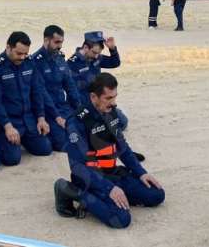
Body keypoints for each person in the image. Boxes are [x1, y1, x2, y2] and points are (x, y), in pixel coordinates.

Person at [54, 73, 165, 228]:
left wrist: (141, 173)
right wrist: (109, 188)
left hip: (113, 174)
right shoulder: (77, 122)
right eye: (108, 98)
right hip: (90, 179)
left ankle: (111, 197)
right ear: (93, 97)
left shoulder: (110, 112)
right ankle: (70, 191)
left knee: (156, 195)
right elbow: (78, 167)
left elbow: (123, 148)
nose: (113, 103)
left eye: (114, 97)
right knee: (121, 219)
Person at [0, 31, 52, 166]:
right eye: (19, 53)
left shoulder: (29, 63)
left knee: (45, 149)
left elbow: (36, 91)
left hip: (28, 119)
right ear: (8, 47)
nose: (22, 57)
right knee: (12, 159)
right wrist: (7, 127)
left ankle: (23, 139)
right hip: (7, 121)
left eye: (25, 53)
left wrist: (41, 117)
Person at [32, 25, 83, 152]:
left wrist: (80, 108)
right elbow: (41, 93)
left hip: (63, 106)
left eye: (61, 42)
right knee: (62, 143)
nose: (60, 46)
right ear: (46, 40)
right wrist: (56, 116)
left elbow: (70, 85)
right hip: (47, 110)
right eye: (56, 42)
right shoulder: (35, 61)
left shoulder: (60, 58)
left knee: (85, 129)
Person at [67, 31, 125, 128]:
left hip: (98, 101)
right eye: (94, 52)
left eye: (99, 53)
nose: (96, 56)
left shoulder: (96, 57)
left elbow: (115, 63)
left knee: (122, 122)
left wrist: (112, 49)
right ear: (85, 47)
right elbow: (73, 93)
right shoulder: (72, 64)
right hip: (83, 104)